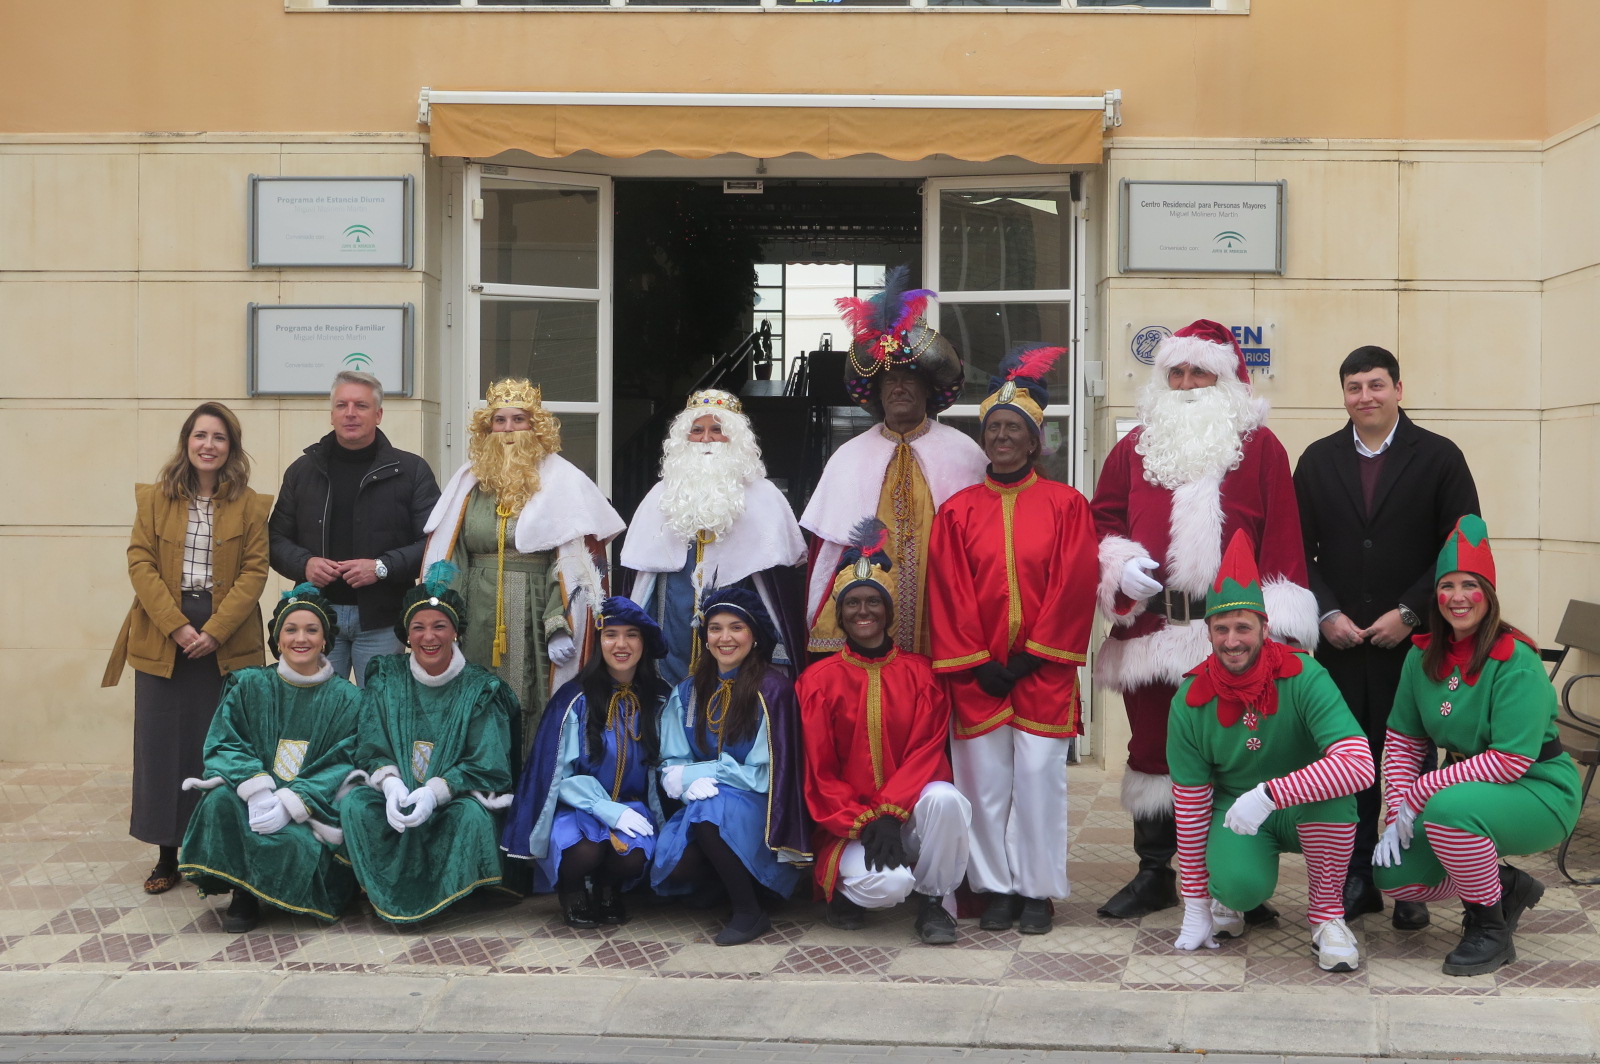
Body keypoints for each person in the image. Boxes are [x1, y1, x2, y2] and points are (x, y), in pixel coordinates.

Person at [1089, 319, 1318, 920]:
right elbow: (1101, 520)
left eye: (1200, 372)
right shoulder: (1133, 448)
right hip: (1152, 629)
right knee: (1153, 748)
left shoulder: (1261, 448)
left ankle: (1230, 876)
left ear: (1227, 380)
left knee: (1235, 754)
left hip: (1233, 636)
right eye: (1177, 372)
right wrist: (1119, 565)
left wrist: (1279, 633)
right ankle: (1154, 872)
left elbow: (1284, 538)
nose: (1187, 383)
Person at [1293, 345, 1480, 929]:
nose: (1365, 396)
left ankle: (1411, 881)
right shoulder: (1318, 460)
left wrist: (1411, 612)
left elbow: (1461, 543)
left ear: (1399, 389)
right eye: (1354, 387)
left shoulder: (1440, 457)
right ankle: (1357, 875)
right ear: (1344, 395)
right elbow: (1297, 550)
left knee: (1412, 760)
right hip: (1341, 642)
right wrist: (1325, 612)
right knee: (1348, 757)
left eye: (1376, 384)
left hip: (1417, 644)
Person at [928, 345, 1098, 934]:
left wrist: (1031, 656)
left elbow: (1074, 583)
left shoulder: (1068, 505)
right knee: (983, 786)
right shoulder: (956, 512)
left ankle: (1037, 891)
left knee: (1040, 784)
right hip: (977, 676)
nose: (1002, 437)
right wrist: (979, 662)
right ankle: (995, 888)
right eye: (994, 428)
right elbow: (948, 591)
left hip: (1043, 673)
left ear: (1033, 441)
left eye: (1013, 428)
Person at [1372, 515, 1580, 976]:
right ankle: (1502, 884)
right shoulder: (1420, 655)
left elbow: (1510, 760)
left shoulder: (1516, 659)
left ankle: (1490, 929)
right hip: (1464, 790)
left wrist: (1422, 792)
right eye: (1447, 586)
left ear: (1488, 593)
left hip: (1539, 789)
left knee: (1448, 812)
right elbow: (1404, 742)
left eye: (1470, 585)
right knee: (1394, 876)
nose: (1457, 597)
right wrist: (1395, 813)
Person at [1167, 531, 1374, 973]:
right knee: (1239, 887)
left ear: (1265, 628)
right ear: (1208, 633)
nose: (1232, 640)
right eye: (1221, 629)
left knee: (1337, 795)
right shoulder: (1188, 700)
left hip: (1306, 805)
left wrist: (1268, 795)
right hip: (1234, 811)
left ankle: (1328, 917)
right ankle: (1229, 899)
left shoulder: (1306, 675)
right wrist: (1195, 902)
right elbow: (1189, 805)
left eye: (1243, 627)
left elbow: (1359, 765)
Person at [103, 402, 272, 896]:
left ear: (231, 447)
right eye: (200, 435)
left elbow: (255, 571)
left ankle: (215, 854)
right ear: (186, 442)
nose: (208, 445)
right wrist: (176, 626)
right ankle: (167, 854)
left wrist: (215, 630)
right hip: (164, 635)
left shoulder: (250, 504)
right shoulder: (155, 499)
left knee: (220, 747)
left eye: (219, 437)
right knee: (163, 747)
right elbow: (140, 562)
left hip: (226, 639)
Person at [423, 378, 624, 749]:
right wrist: (446, 615)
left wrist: (559, 622)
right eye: (499, 421)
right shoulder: (469, 484)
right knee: (475, 694)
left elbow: (571, 560)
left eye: (519, 420)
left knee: (531, 696)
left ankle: (529, 772)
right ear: (487, 428)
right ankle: (480, 772)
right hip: (477, 613)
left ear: (536, 427)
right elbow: (452, 555)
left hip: (535, 611)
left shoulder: (562, 482)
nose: (509, 430)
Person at [797, 522, 969, 944]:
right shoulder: (817, 682)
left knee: (947, 799)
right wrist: (864, 820)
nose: (864, 611)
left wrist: (890, 814)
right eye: (853, 603)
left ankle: (933, 901)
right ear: (840, 613)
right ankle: (846, 893)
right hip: (848, 825)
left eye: (874, 601)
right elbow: (819, 773)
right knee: (890, 887)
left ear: (889, 611)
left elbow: (926, 754)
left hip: (904, 819)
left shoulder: (923, 675)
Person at [800, 266, 986, 657]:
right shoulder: (848, 457)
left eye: (909, 379)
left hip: (945, 612)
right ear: (878, 393)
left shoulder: (964, 452)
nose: (899, 388)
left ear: (927, 389)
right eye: (889, 381)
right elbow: (827, 554)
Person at [339, 563, 521, 924]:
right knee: (355, 804)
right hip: (396, 796)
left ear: (456, 632)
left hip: (453, 801)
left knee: (471, 816)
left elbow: (488, 763)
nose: (429, 637)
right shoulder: (386, 678)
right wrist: (390, 784)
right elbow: (370, 744)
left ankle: (454, 890)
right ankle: (380, 890)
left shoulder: (480, 690)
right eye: (418, 627)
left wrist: (435, 792)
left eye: (439, 626)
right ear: (407, 634)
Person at [176, 585, 363, 932]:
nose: (300, 639)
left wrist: (292, 802)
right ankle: (243, 893)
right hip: (255, 801)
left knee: (297, 843)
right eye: (291, 630)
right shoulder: (249, 685)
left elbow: (344, 761)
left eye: (311, 630)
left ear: (325, 640)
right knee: (218, 801)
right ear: (277, 639)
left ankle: (292, 891)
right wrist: (258, 792)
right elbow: (225, 743)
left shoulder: (348, 699)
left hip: (312, 808)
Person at [651, 587, 811, 945]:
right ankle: (725, 884)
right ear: (705, 637)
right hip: (703, 803)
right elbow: (673, 763)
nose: (725, 638)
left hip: (760, 806)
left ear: (754, 636)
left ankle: (748, 911)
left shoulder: (773, 691)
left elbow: (768, 774)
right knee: (678, 864)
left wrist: (706, 772)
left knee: (710, 813)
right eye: (715, 628)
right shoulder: (687, 691)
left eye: (736, 627)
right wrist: (685, 780)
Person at [502, 596, 671, 929]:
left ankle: (609, 886)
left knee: (632, 857)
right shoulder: (573, 699)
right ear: (598, 642)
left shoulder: (660, 698)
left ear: (644, 643)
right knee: (585, 849)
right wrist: (602, 807)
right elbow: (556, 777)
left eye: (632, 635)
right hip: (578, 807)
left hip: (632, 807)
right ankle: (572, 888)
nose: (621, 644)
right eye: (611, 635)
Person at [621, 389, 807, 685]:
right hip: (670, 642)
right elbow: (640, 584)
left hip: (741, 649)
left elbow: (778, 591)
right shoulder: (660, 496)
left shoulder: (766, 497)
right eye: (697, 430)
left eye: (717, 429)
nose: (706, 438)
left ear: (736, 437)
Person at [269, 370, 441, 687]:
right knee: (319, 708)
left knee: (378, 708)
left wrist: (382, 567)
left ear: (378, 414)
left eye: (361, 405)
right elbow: (275, 539)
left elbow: (434, 544)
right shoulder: (302, 471)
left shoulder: (411, 471)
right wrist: (305, 564)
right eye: (342, 405)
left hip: (383, 619)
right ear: (332, 414)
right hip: (317, 618)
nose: (350, 413)